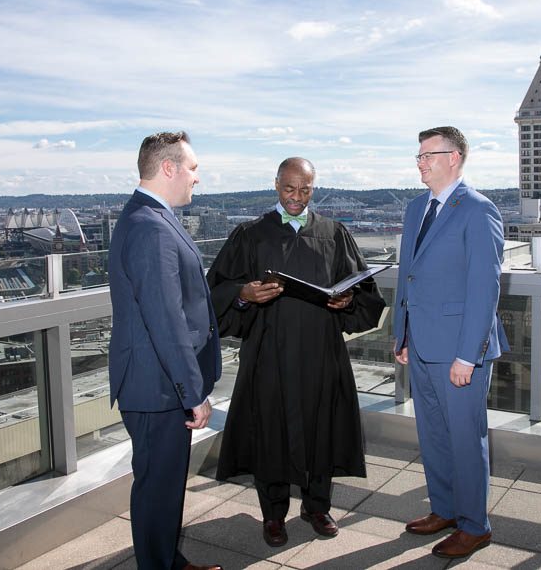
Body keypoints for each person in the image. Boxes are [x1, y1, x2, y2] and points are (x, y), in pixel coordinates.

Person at [208, 157, 386, 548]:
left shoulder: (334, 232)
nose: (297, 197)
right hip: (269, 352)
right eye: (290, 188)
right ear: (275, 185)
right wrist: (243, 293)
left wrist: (347, 300)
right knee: (269, 429)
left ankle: (316, 506)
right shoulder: (250, 234)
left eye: (305, 189)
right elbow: (216, 290)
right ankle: (273, 514)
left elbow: (364, 294)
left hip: (322, 351)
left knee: (322, 426)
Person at [393, 126, 509, 559]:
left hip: (459, 351)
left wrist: (468, 354)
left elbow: (485, 288)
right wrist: (401, 332)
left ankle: (476, 526)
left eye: (429, 155)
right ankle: (443, 508)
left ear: (454, 158)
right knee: (434, 435)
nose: (420, 162)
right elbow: (409, 274)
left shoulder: (478, 211)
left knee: (465, 437)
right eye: (418, 155)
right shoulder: (416, 208)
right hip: (421, 344)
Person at [108, 132, 222, 570]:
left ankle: (168, 560)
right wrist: (191, 392)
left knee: (166, 485)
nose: (197, 177)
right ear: (168, 168)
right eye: (192, 168)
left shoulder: (151, 216)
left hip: (157, 382)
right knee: (158, 489)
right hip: (158, 387)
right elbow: (166, 318)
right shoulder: (150, 226)